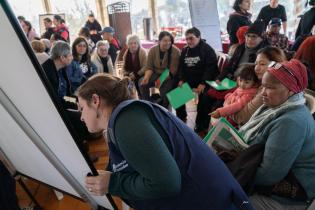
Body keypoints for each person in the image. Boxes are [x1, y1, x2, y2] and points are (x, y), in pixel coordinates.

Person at [76, 73, 254, 210]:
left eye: (82, 108)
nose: (81, 117)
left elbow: (166, 183)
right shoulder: (127, 117)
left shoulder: (127, 121)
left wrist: (113, 183)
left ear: (95, 100)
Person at [238, 59, 315, 209]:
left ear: (291, 90)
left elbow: (269, 175)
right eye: (263, 86)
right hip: (273, 183)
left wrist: (235, 172)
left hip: (289, 196)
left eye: (270, 88)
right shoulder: (276, 105)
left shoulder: (291, 121)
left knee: (228, 200)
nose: (263, 92)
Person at [194, 21, 269, 134]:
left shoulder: (263, 53)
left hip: (245, 85)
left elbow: (258, 77)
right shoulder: (240, 48)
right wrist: (219, 79)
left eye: (254, 37)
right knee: (205, 94)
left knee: (218, 101)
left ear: (261, 38)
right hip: (230, 80)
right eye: (248, 36)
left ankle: (216, 132)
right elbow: (228, 67)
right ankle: (201, 126)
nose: (249, 39)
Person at [232, 46, 287, 125]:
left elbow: (241, 118)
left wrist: (226, 106)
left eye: (262, 64)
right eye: (256, 64)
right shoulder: (260, 82)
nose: (256, 68)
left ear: (275, 65)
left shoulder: (268, 90)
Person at [176, 27, 219, 122]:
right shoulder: (185, 50)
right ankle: (181, 119)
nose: (188, 41)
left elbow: (211, 69)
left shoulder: (207, 50)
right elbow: (181, 67)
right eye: (186, 39)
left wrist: (203, 83)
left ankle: (201, 125)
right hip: (190, 79)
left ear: (199, 37)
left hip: (205, 80)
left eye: (191, 38)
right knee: (178, 93)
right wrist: (181, 79)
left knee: (204, 98)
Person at [138, 31, 180, 108]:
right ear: (159, 41)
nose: (167, 43)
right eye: (165, 40)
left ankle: (162, 109)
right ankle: (148, 104)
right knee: (142, 82)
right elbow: (149, 67)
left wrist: (160, 81)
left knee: (162, 94)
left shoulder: (175, 51)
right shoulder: (152, 50)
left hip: (169, 77)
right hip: (155, 73)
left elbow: (172, 72)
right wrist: (146, 78)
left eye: (169, 41)